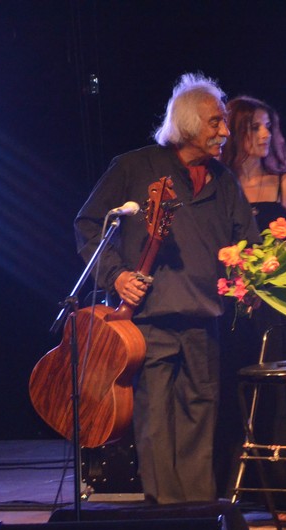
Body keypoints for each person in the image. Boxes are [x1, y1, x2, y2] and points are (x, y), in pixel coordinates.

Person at [74, 73, 260, 504]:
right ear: (190, 124)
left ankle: (197, 513)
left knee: (200, 415)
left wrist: (250, 277)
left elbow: (246, 241)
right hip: (148, 319)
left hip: (203, 319)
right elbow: (88, 225)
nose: (225, 131)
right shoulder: (133, 167)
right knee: (155, 417)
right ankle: (164, 512)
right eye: (216, 122)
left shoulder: (223, 180)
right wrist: (116, 274)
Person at [216, 96, 286, 507]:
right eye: (254, 127)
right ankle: (233, 491)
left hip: (280, 311)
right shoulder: (219, 186)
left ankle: (284, 494)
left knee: (282, 402)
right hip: (234, 313)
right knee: (235, 397)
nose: (264, 135)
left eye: (268, 127)